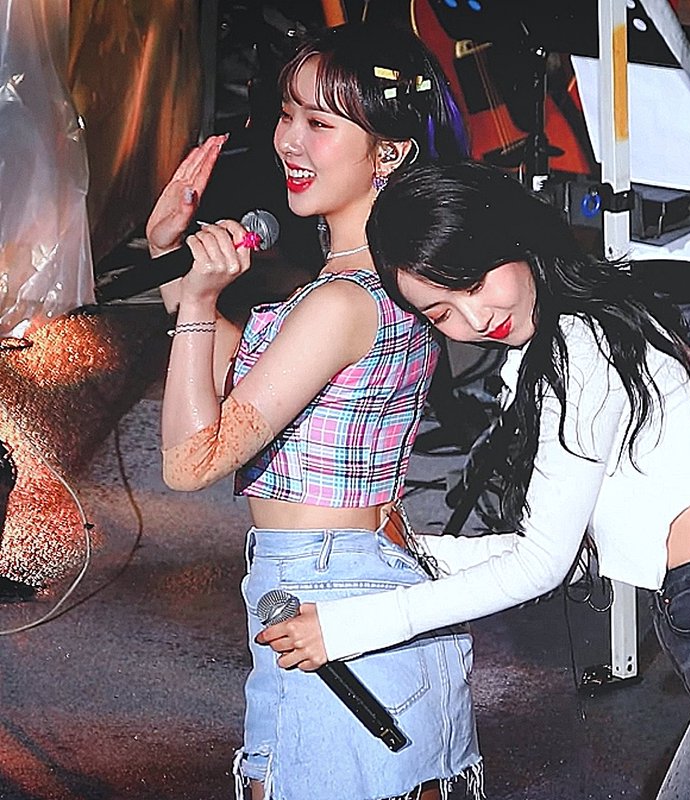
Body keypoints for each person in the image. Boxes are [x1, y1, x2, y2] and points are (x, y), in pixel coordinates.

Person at [258, 160, 690, 800]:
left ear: (513, 237)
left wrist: (346, 629)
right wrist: (426, 554)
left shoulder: (579, 347)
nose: (474, 317)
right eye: (440, 312)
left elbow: (541, 566)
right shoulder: (593, 325)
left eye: (473, 282)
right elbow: (569, 549)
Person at [149, 23, 482, 800]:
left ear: (388, 153)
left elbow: (191, 460)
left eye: (320, 123)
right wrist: (170, 254)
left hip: (331, 595)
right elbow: (235, 371)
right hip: (341, 582)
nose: (289, 141)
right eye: (286, 113)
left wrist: (197, 300)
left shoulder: (339, 303)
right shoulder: (375, 283)